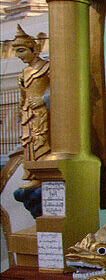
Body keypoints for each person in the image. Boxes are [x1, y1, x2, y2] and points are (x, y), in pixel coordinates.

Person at [12, 27, 50, 188]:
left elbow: (59, 87)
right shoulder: (23, 73)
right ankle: (33, 175)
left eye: (22, 51)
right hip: (29, 113)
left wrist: (44, 100)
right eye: (17, 52)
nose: (19, 55)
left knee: (41, 140)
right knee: (29, 143)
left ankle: (44, 173)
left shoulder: (47, 67)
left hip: (43, 112)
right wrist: (21, 110)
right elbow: (23, 95)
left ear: (34, 50)